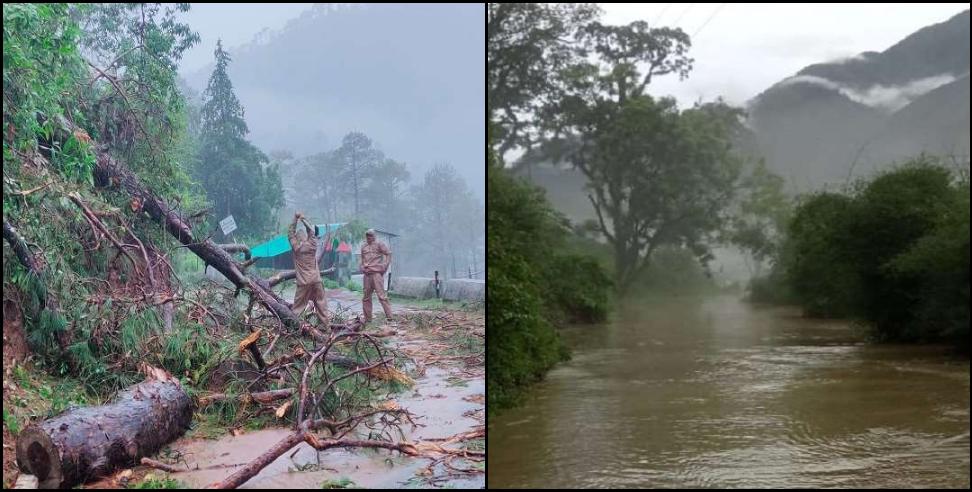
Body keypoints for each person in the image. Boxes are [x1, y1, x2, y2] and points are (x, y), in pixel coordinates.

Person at [288, 212, 329, 325]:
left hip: (304, 282)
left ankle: (292, 326)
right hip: (316, 280)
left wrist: (295, 218)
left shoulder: (296, 248)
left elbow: (290, 233)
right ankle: (325, 327)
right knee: (321, 304)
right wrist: (303, 220)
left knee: (298, 307)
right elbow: (311, 231)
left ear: (297, 238)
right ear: (305, 237)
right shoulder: (312, 244)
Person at [360, 229, 393, 323]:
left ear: (374, 236)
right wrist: (361, 267)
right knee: (366, 297)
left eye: (370, 235)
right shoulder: (364, 246)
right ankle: (367, 319)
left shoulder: (379, 244)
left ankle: (390, 317)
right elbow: (362, 258)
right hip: (367, 274)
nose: (368, 237)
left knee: (381, 296)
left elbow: (388, 254)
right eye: (367, 236)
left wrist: (385, 266)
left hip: (376, 274)